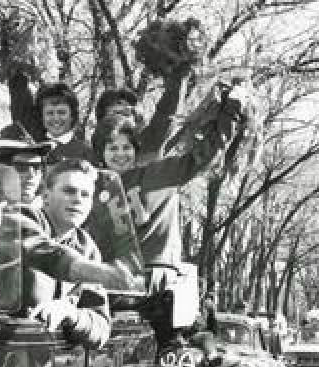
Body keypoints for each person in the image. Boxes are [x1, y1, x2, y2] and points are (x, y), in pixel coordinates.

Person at [90, 94, 247, 269]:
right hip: (112, 273)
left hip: (155, 269)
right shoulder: (90, 186)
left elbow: (204, 156)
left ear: (136, 149)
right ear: (100, 152)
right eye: (113, 148)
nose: (120, 154)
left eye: (126, 147)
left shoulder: (159, 173)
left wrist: (230, 113)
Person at [6, 158, 139, 349]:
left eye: (85, 195)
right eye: (69, 191)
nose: (78, 199)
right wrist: (102, 273)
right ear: (45, 196)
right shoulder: (19, 218)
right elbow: (44, 253)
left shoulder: (88, 248)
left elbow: (101, 328)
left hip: (47, 359)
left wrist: (72, 314)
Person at [32, 83, 92, 165]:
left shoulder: (85, 151)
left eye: (62, 112)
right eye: (50, 113)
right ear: (41, 117)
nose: (56, 118)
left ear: (72, 116)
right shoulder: (33, 148)